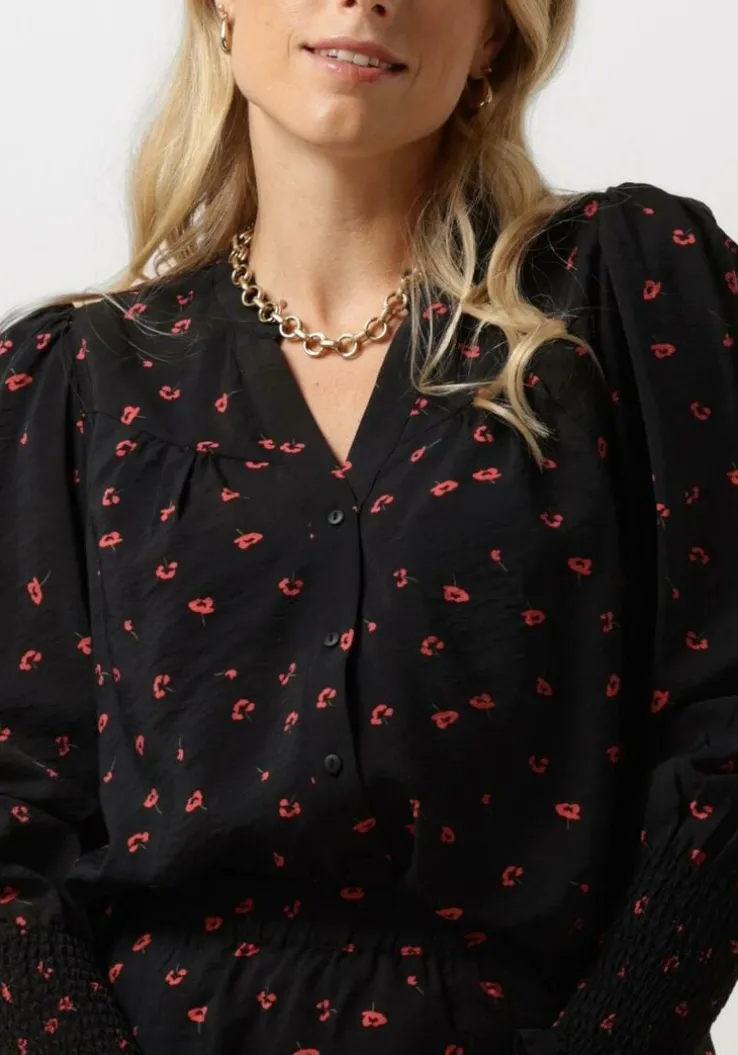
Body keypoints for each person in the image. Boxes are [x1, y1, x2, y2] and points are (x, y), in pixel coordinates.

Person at [1, 1, 737, 1053]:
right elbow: (15, 817)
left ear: (494, 33)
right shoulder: (71, 385)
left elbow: (724, 731)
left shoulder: (627, 294)